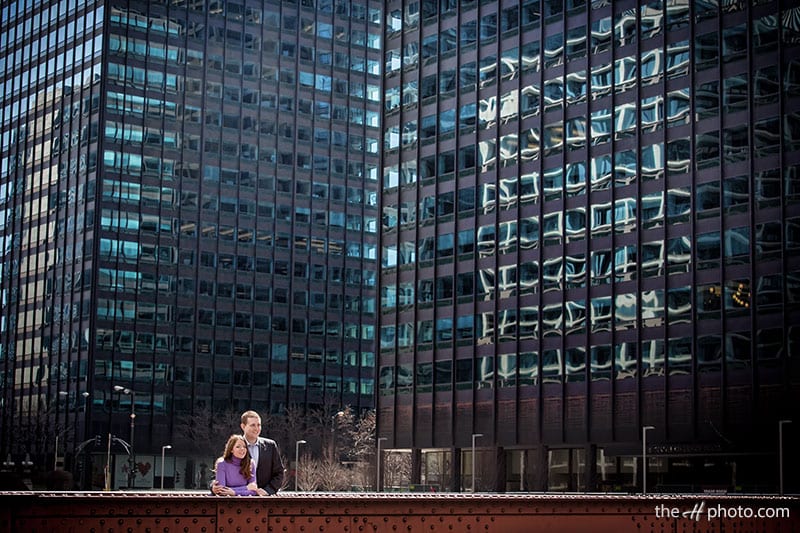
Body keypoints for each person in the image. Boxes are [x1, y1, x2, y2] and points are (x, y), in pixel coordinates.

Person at [212, 410, 285, 495]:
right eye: (253, 425)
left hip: (265, 499)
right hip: (235, 500)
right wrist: (213, 486)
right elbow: (220, 471)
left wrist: (267, 491)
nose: (257, 428)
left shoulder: (270, 446)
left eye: (259, 425)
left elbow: (279, 472)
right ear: (243, 426)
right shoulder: (235, 445)